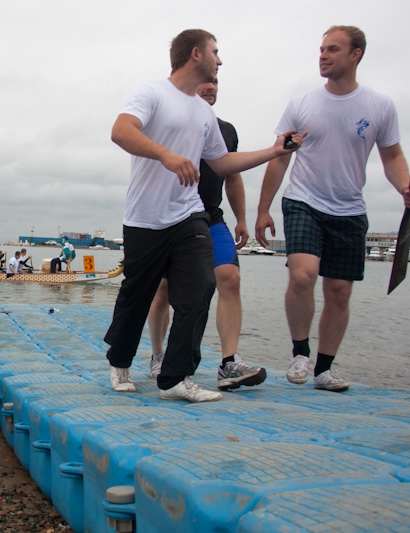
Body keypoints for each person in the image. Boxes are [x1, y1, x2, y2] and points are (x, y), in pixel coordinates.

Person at [106, 28, 303, 402]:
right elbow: (120, 131)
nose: (220, 60)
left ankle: (175, 378)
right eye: (216, 51)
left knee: (200, 287)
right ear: (196, 54)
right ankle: (120, 361)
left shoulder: (204, 113)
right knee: (137, 295)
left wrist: (274, 151)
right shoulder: (152, 93)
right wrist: (165, 155)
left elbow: (222, 162)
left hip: (190, 214)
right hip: (146, 217)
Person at [255, 25, 410, 392]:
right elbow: (280, 158)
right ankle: (300, 353)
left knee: (340, 291)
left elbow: (392, 156)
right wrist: (263, 209)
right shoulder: (301, 104)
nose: (323, 56)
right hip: (303, 200)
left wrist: (405, 187)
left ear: (355, 55)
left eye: (332, 49)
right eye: (321, 49)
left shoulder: (380, 106)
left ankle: (324, 369)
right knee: (303, 275)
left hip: (349, 208)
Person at [147, 78, 266, 391]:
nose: (211, 86)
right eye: (204, 81)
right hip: (172, 218)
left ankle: (229, 363)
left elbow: (232, 175)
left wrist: (242, 218)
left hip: (211, 217)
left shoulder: (226, 130)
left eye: (214, 81)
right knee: (163, 290)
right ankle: (158, 355)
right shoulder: (171, 123)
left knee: (230, 277)